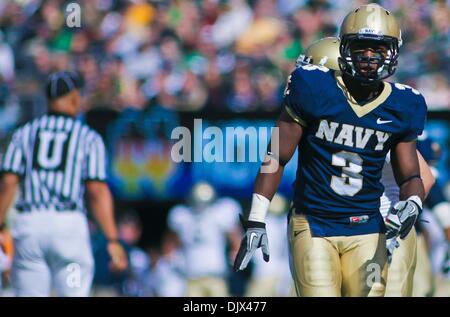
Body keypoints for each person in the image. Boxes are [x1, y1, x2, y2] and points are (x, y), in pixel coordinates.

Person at [234, 4, 428, 297]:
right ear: (344, 48)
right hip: (314, 224)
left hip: (367, 227)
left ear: (393, 52)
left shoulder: (403, 105)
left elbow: (411, 175)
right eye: (361, 48)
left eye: (379, 49)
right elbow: (276, 155)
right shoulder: (314, 87)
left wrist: (413, 202)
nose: (369, 57)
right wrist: (256, 220)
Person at [296, 36, 437, 297]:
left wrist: (395, 220)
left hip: (382, 228)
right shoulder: (322, 115)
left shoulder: (374, 114)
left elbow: (424, 177)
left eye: (313, 71)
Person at [0, 71, 128, 296]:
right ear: (74, 97)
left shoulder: (23, 134)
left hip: (30, 228)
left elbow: (8, 182)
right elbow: (96, 190)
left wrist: (0, 225)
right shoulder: (88, 137)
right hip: (69, 231)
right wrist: (112, 238)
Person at [168, 182, 241, 297]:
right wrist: (173, 259)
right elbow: (172, 242)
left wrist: (236, 253)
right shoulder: (183, 216)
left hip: (215, 275)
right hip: (192, 275)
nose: (200, 206)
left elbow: (235, 237)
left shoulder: (220, 213)